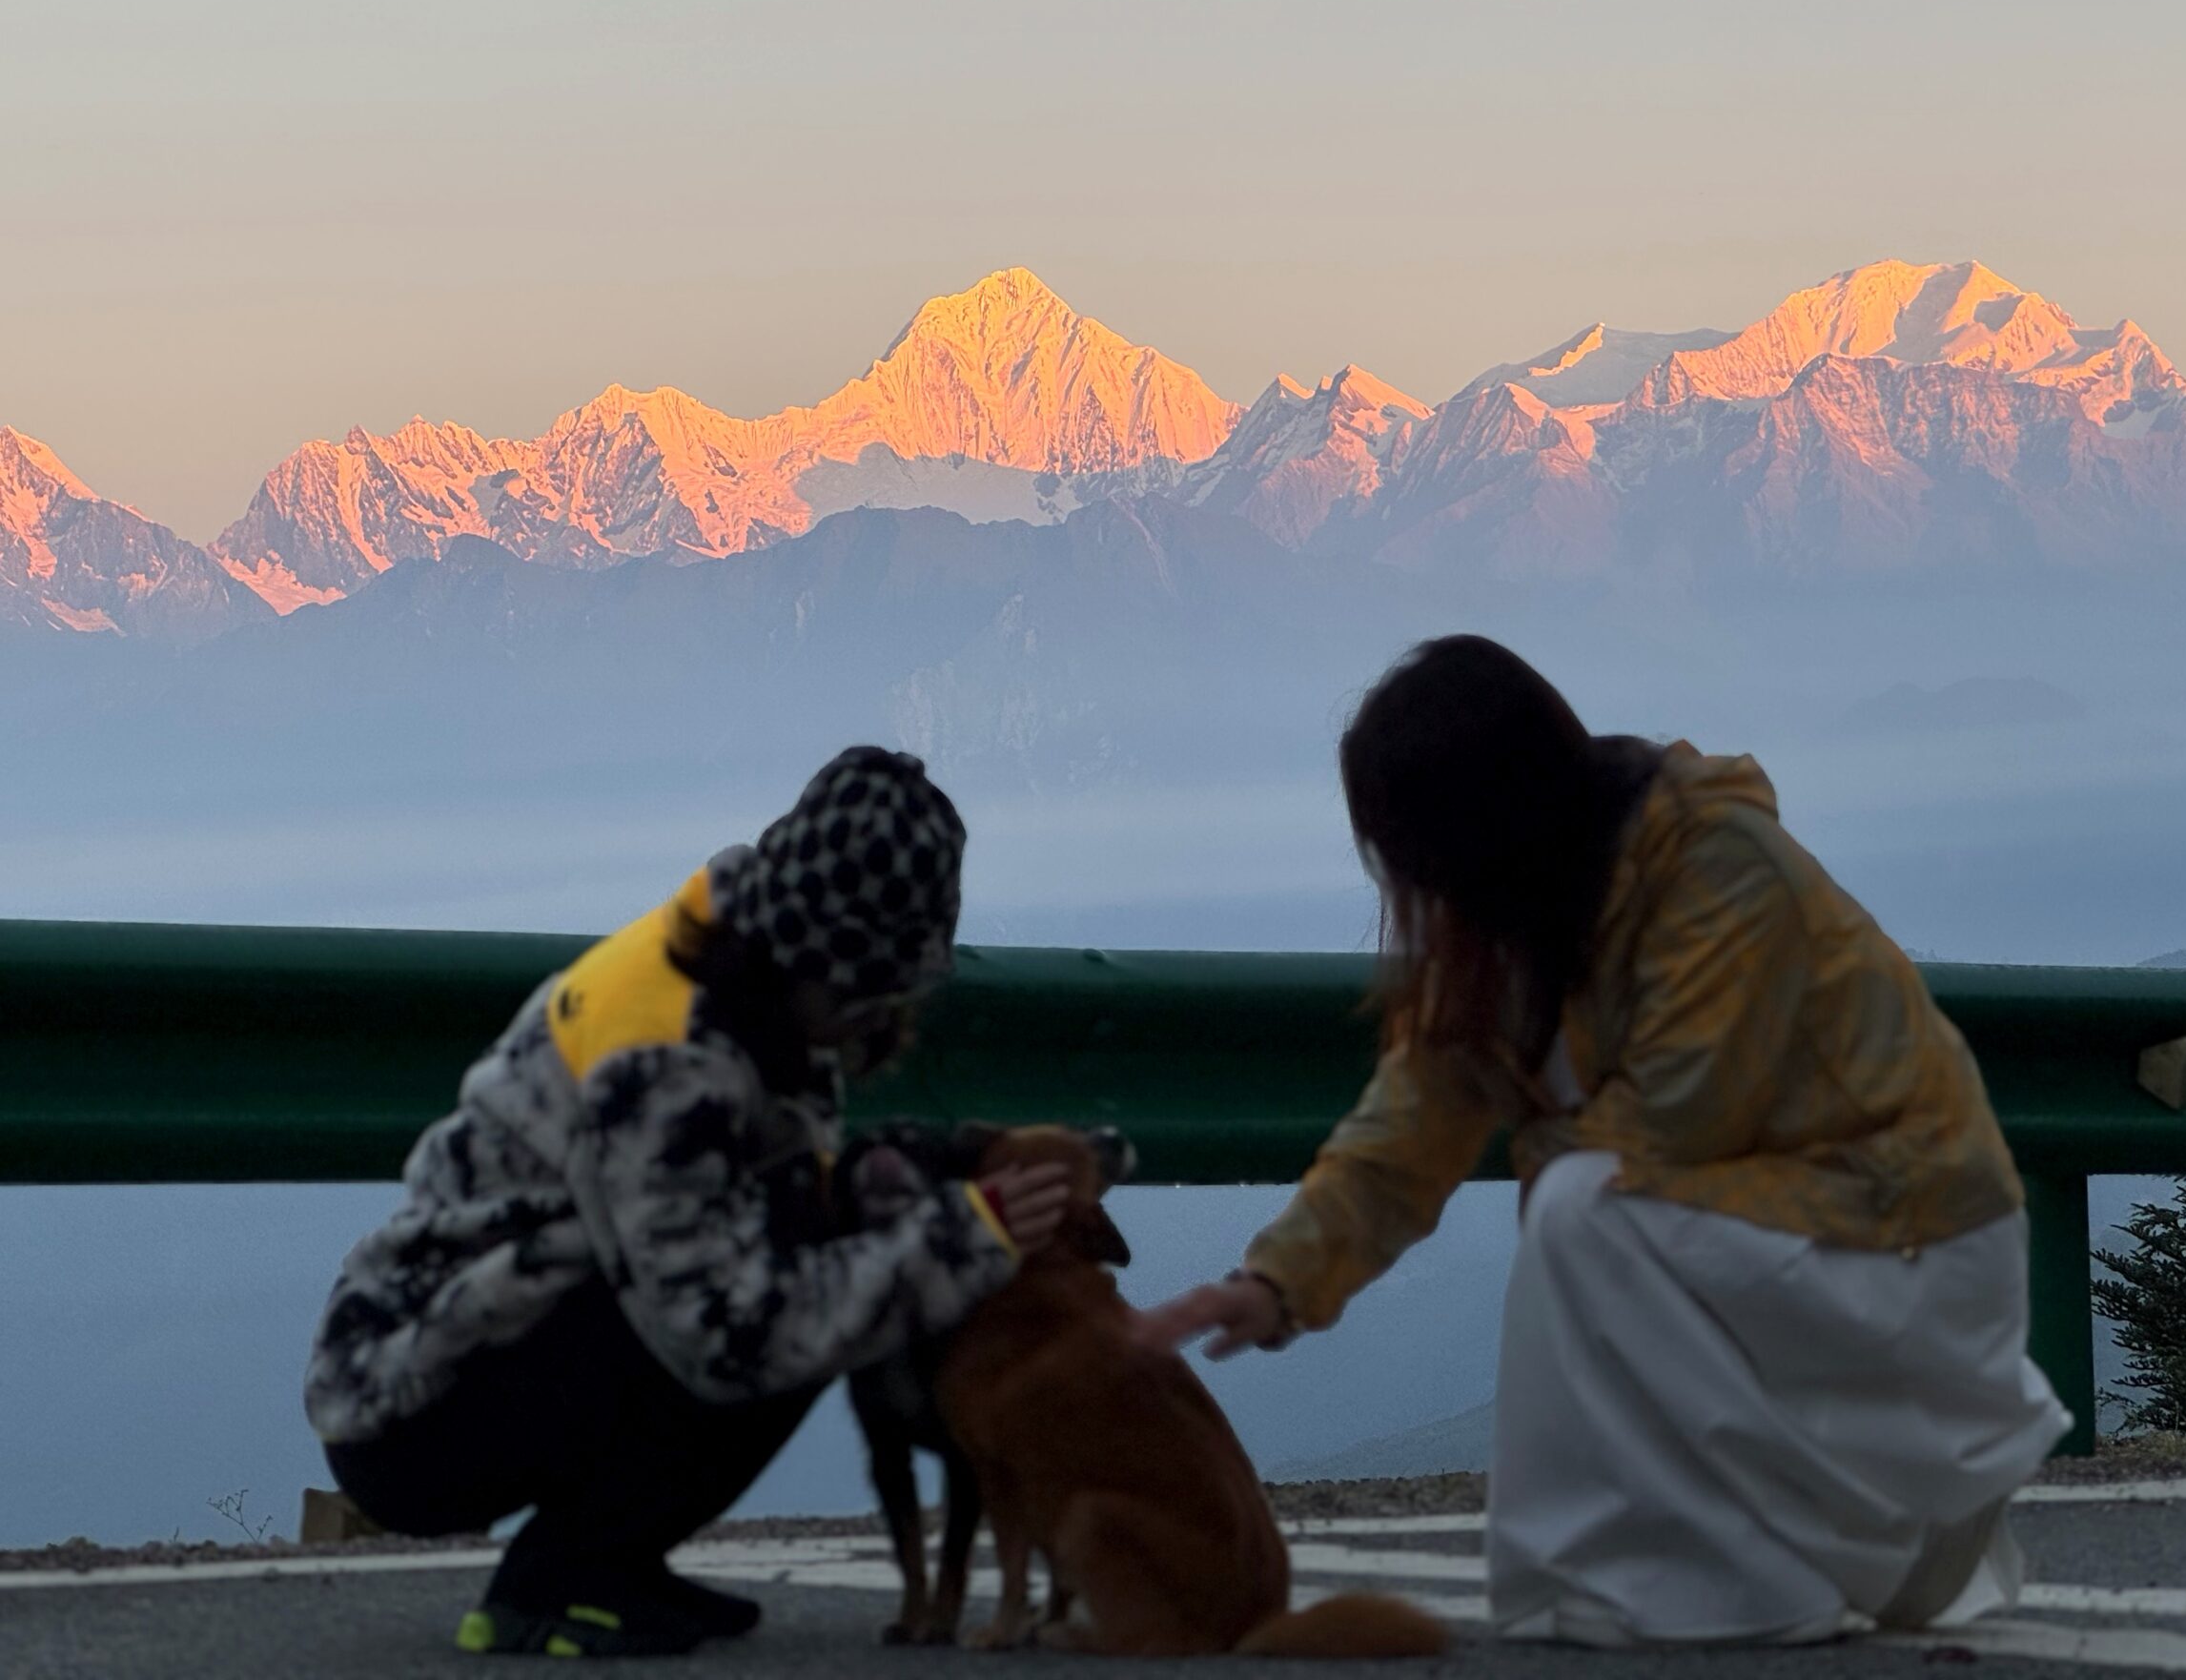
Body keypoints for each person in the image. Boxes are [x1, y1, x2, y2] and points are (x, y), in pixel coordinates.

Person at [1137, 637, 2069, 1649]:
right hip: (1785, 1243)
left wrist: (1528, 1128)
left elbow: (1677, 1125)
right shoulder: (1522, 923)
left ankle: (1750, 1586)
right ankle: (1660, 1577)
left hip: (1907, 1237)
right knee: (1584, 1209)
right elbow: (1408, 1124)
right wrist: (1275, 1283)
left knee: (1588, 1205)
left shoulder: (1718, 866)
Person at [303, 748, 1069, 1658]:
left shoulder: (743, 975)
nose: (881, 1020)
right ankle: (554, 1585)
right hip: (414, 1410)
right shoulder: (671, 1064)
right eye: (876, 992)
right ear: (830, 963)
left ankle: (609, 1562)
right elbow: (727, 1331)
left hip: (492, 1342)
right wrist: (956, 1243)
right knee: (807, 1295)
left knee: (827, 1251)